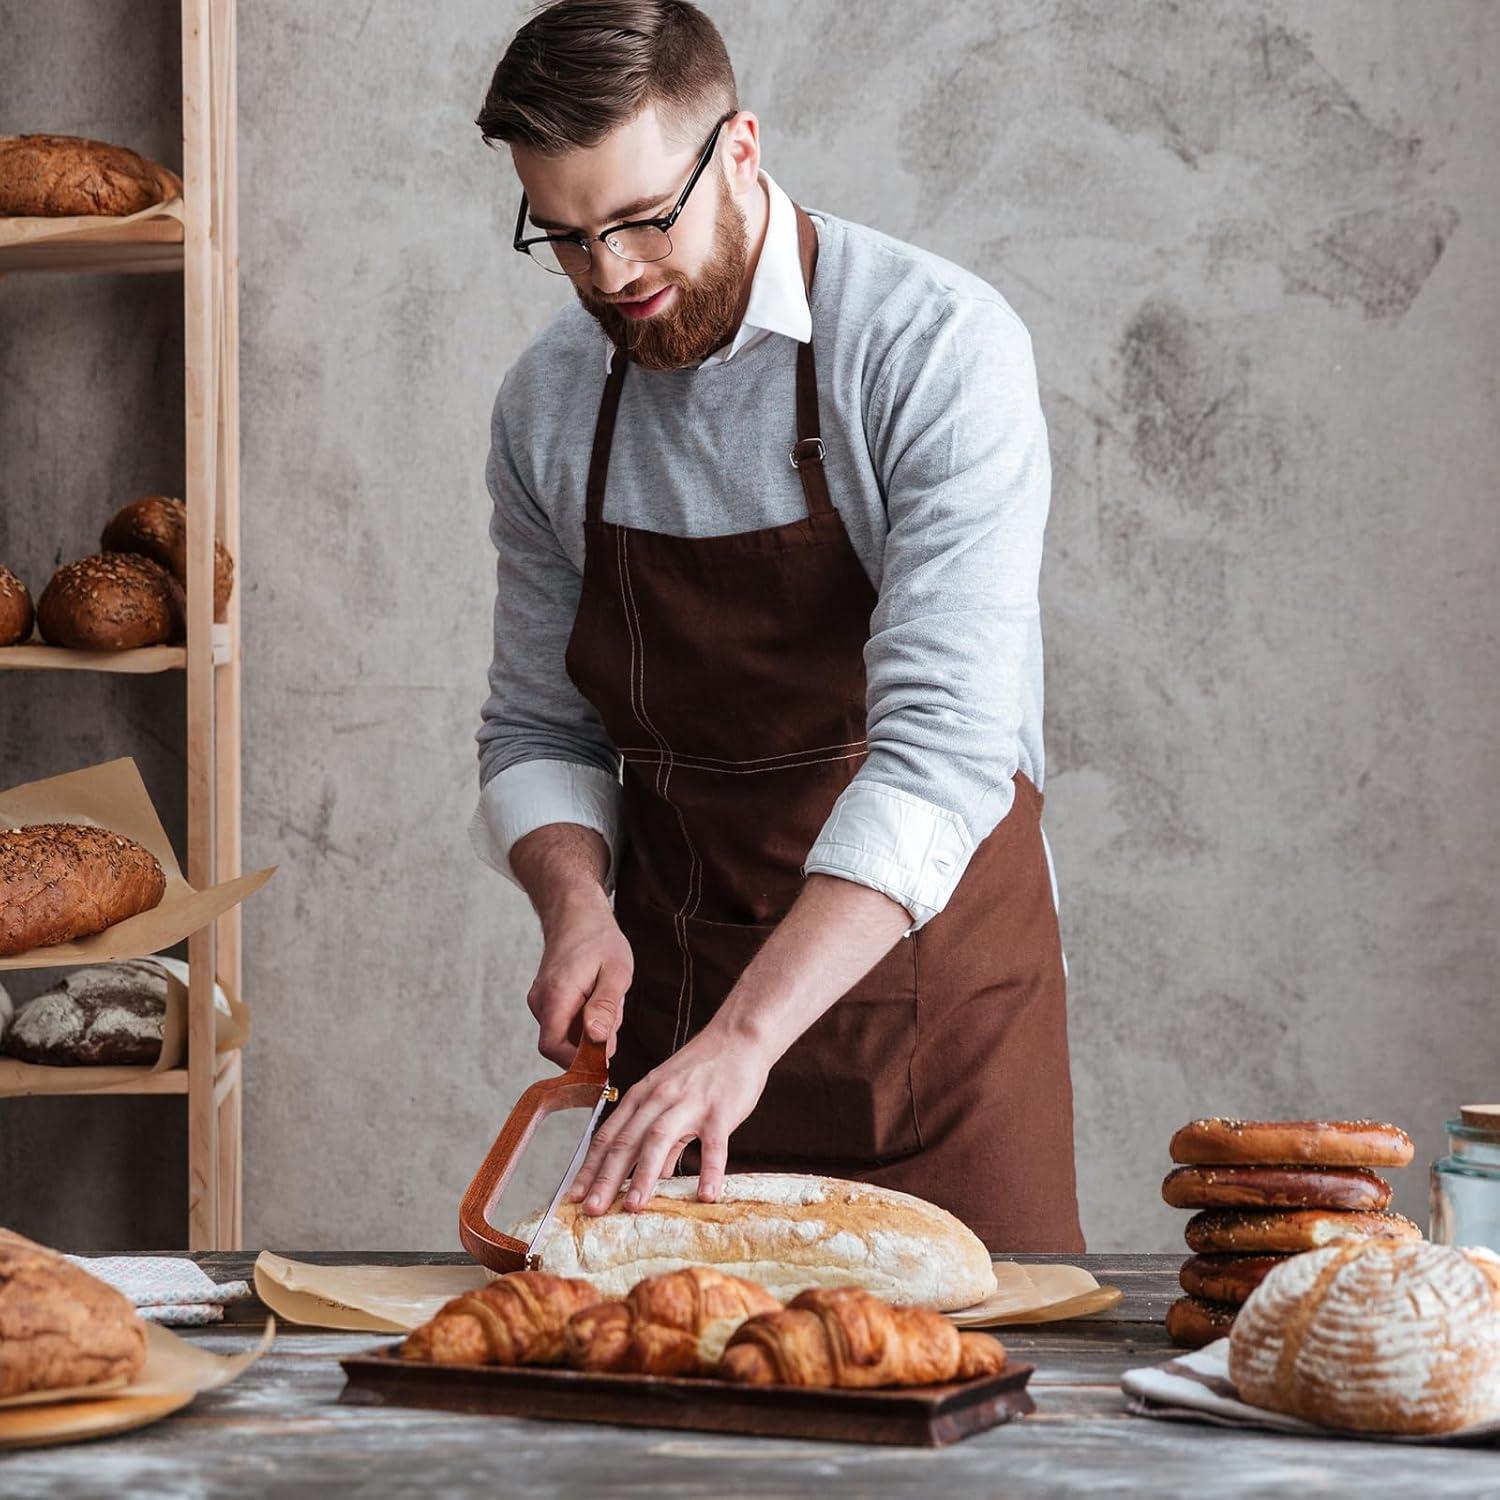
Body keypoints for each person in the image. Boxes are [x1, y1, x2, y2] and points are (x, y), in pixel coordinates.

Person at [469, 0, 1083, 1252]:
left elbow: (944, 749)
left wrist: (750, 1035)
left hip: (934, 1020)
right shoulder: (547, 404)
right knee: (675, 1371)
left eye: (643, 220)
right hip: (680, 1028)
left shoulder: (929, 347)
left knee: (991, 1367)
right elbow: (538, 726)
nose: (610, 275)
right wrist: (575, 902)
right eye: (567, 237)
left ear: (740, 150)